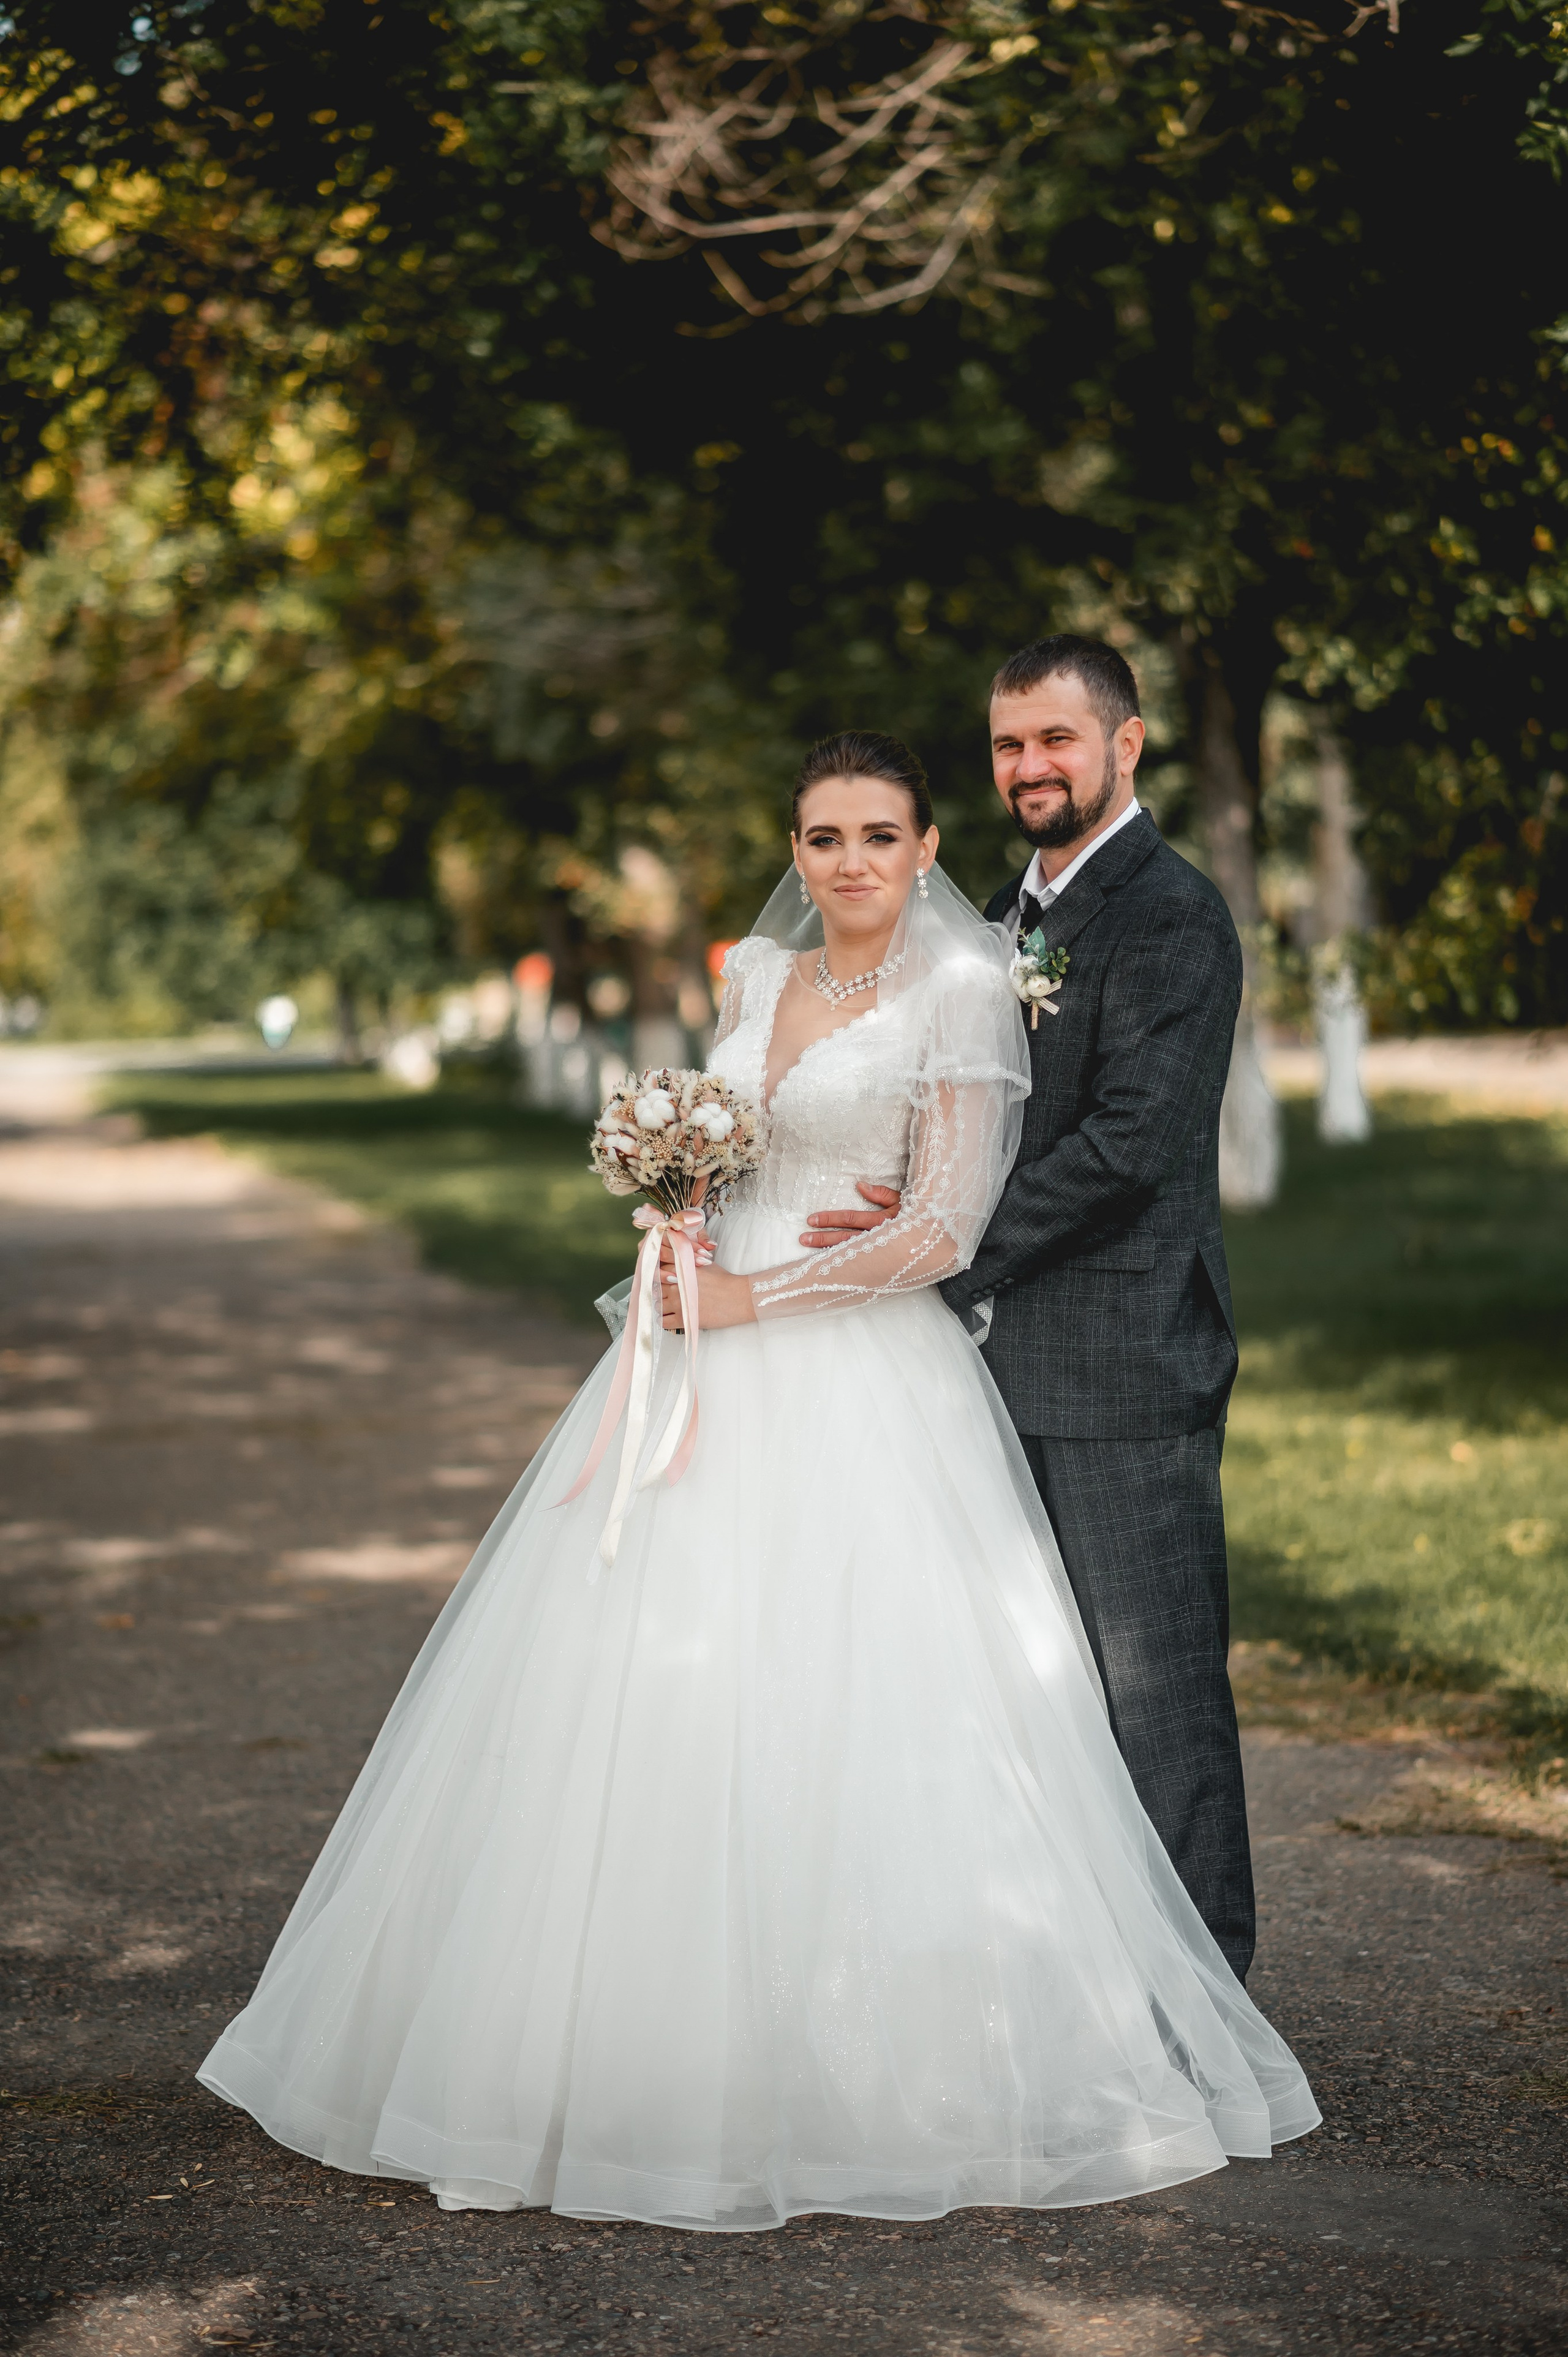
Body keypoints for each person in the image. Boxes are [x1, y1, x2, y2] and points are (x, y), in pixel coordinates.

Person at [198, 728, 1315, 2229]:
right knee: (637, 1681)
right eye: (821, 837)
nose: (848, 862)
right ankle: (627, 2039)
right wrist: (678, 1216)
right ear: (793, 851)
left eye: (877, 835)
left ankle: (895, 2049)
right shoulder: (754, 979)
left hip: (859, 1362)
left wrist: (754, 1296)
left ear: (926, 849)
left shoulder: (964, 986)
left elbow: (943, 1226)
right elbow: (732, 1161)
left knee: (862, 1685)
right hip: (700, 1349)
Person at [801, 643, 1256, 1983]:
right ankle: (1077, 1997)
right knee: (1022, 1704)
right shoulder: (998, 915)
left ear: (1126, 743)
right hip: (977, 1378)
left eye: (1056, 738)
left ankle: (1206, 2010)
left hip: (1119, 1367)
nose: (1029, 766)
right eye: (1009, 744)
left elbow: (1126, 1149)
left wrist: (928, 1247)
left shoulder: (1173, 917)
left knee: (1155, 1704)